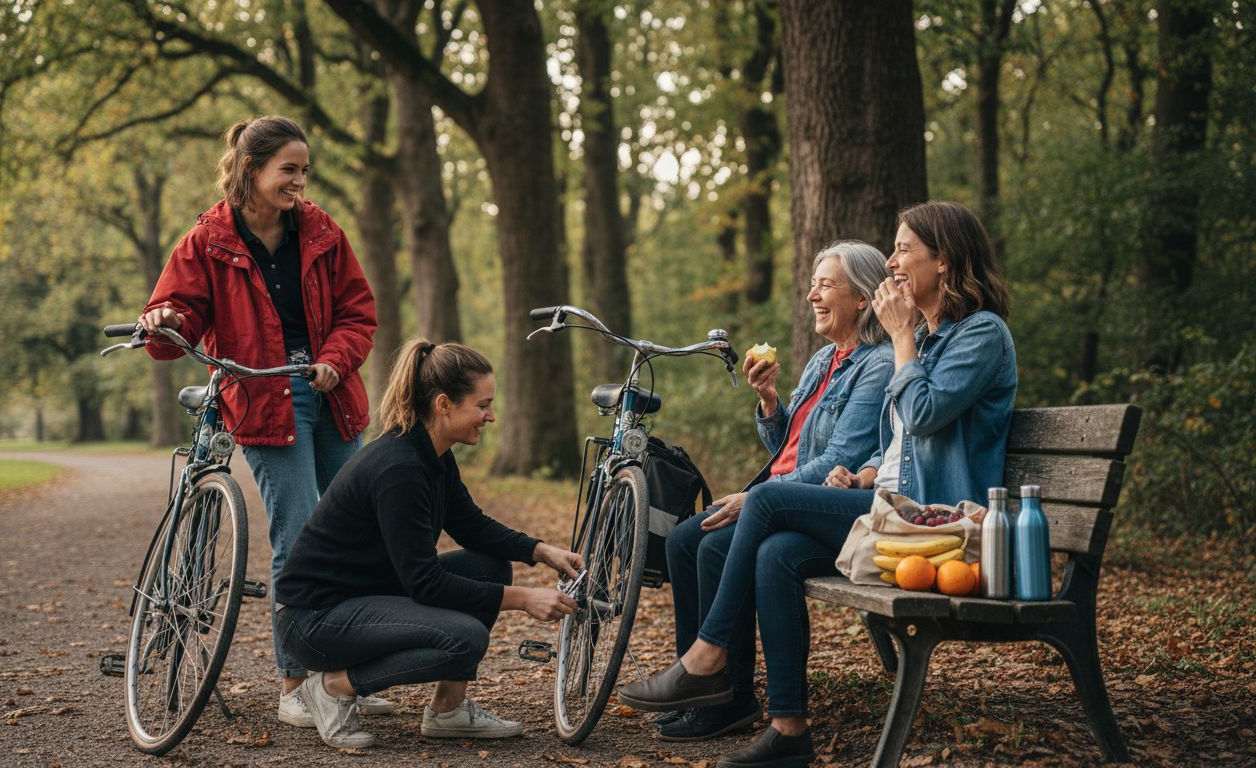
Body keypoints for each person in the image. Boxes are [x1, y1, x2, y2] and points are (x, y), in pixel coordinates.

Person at [620, 201, 1017, 768]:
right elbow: (900, 440)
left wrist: (902, 335)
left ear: (946, 262)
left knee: (767, 501)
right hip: (892, 505)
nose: (893, 263)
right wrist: (867, 470)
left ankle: (707, 659)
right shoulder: (924, 341)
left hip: (942, 522)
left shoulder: (979, 334)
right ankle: (788, 729)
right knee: (776, 554)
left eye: (904, 249)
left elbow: (924, 412)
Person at [136, 116, 387, 725]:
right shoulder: (208, 240)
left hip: (332, 395)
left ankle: (346, 676)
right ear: (252, 170)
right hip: (264, 399)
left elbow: (359, 313)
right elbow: (176, 324)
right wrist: (164, 320)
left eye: (304, 171)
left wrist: (333, 360)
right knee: (299, 535)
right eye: (289, 170)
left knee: (358, 531)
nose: (300, 182)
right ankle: (295, 684)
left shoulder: (322, 230)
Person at [272, 339, 585, 751]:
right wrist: (524, 598)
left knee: (490, 566)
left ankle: (447, 710)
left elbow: (470, 525)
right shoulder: (400, 469)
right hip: (314, 622)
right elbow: (425, 583)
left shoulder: (432, 453)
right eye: (482, 405)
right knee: (465, 638)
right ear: (443, 405)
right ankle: (332, 688)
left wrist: (540, 550)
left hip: (361, 598)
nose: (490, 416)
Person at [656, 241, 894, 741]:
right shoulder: (823, 359)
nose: (812, 294)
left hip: (817, 504)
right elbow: (789, 444)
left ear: (862, 299)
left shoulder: (877, 364)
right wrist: (768, 403)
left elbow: (836, 462)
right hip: (782, 495)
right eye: (813, 283)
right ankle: (706, 690)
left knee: (715, 545)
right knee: (683, 539)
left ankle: (727, 688)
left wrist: (759, 496)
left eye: (827, 284)